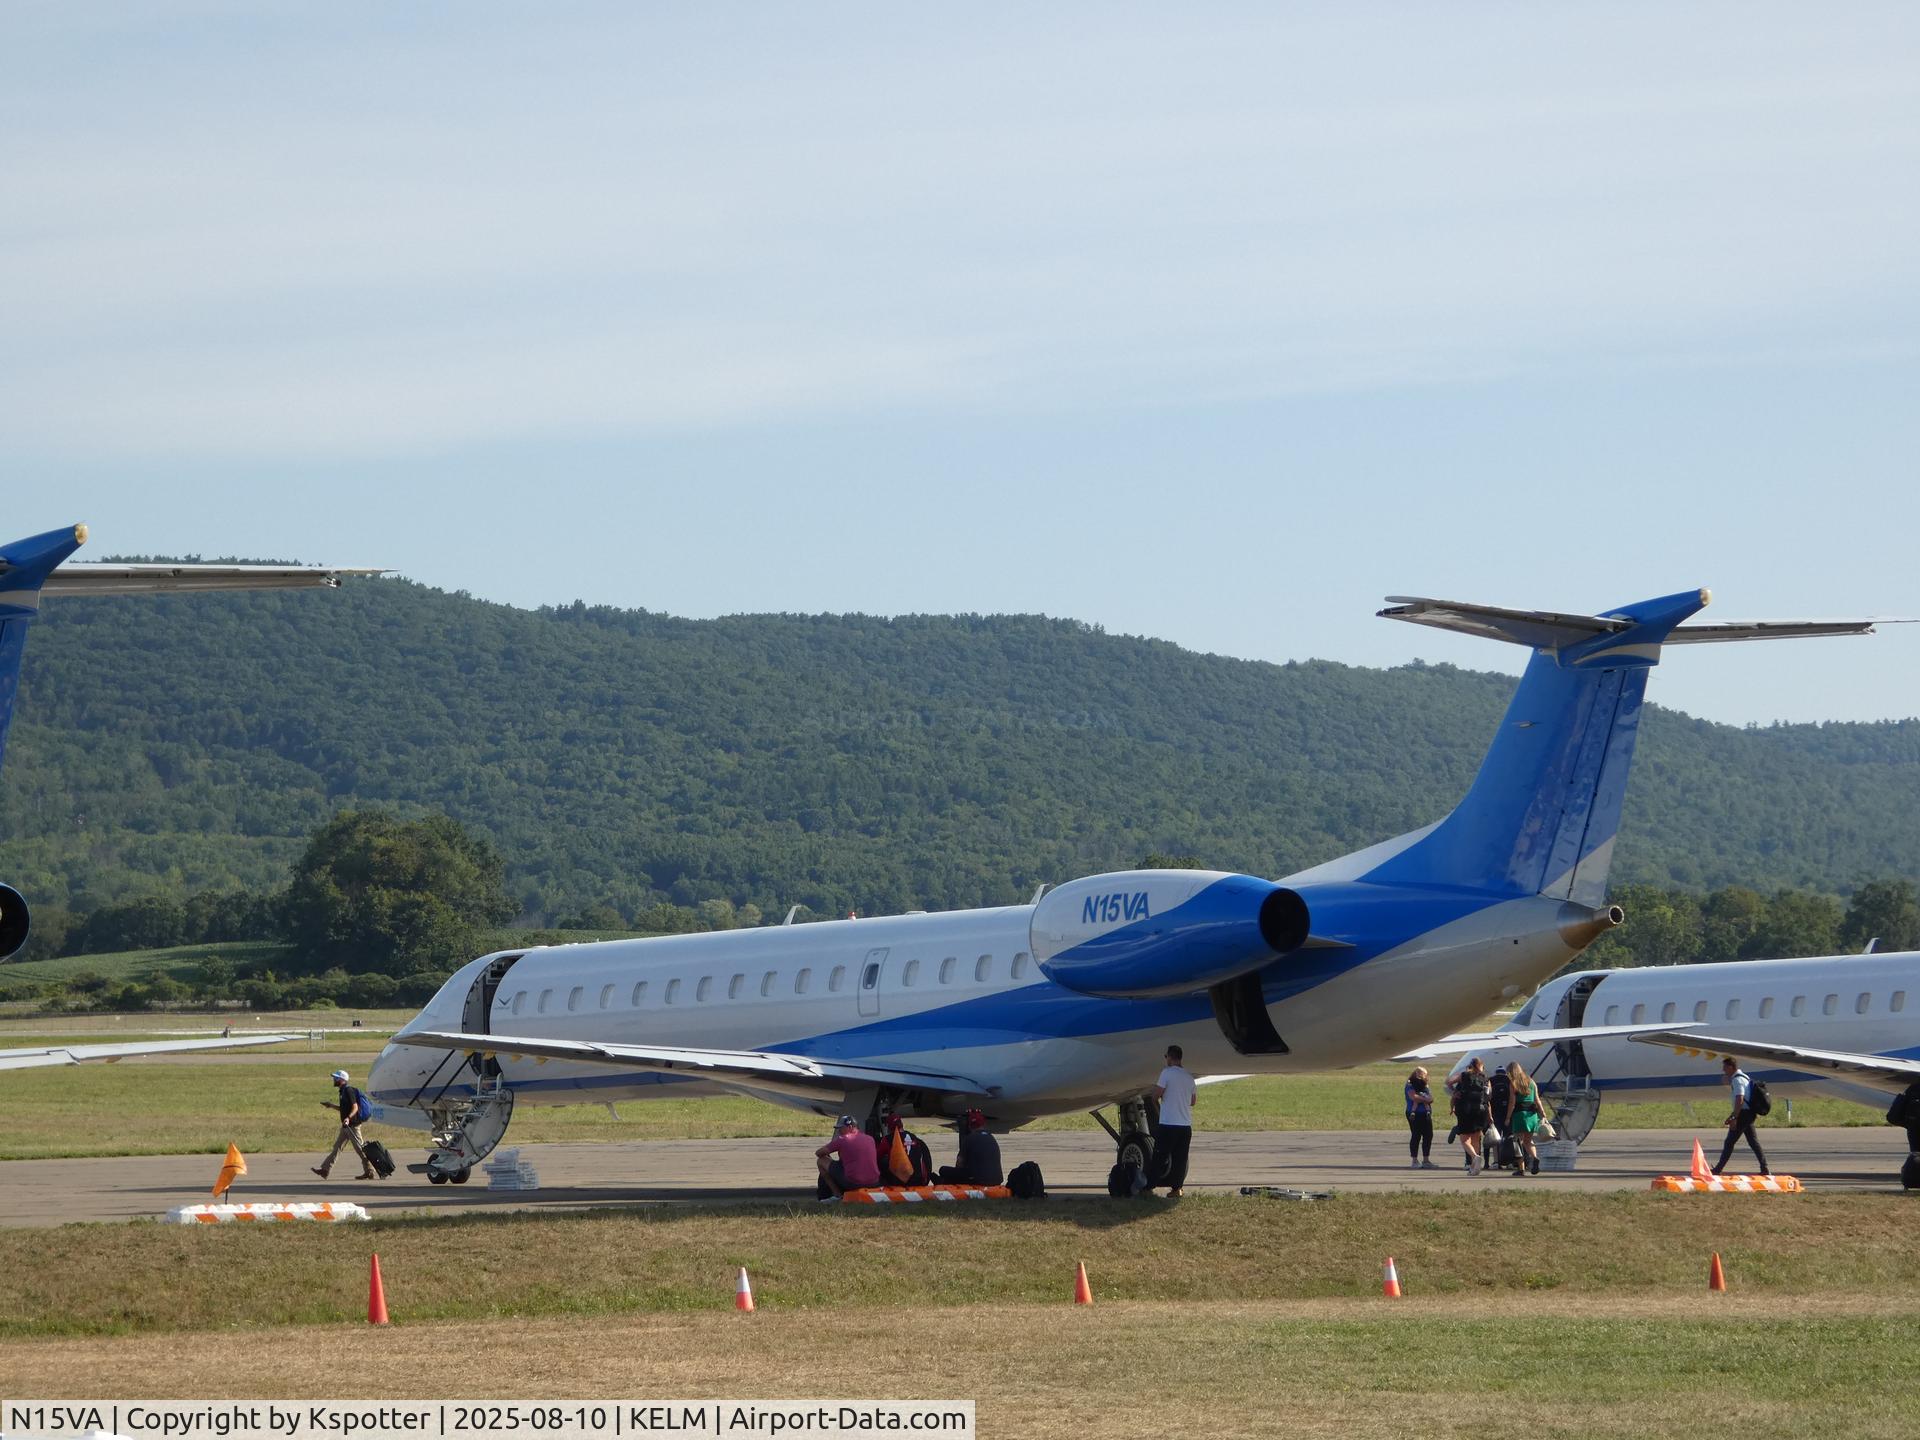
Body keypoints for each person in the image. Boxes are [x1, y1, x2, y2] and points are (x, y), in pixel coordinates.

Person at [313, 1069, 376, 1180]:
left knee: (360, 1150)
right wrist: (331, 1106)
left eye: (336, 1078)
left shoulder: (348, 1091)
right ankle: (325, 1170)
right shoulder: (342, 1092)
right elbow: (344, 1109)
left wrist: (348, 1118)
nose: (334, 1079)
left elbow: (355, 1107)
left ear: (342, 1080)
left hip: (353, 1126)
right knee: (337, 1148)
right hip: (346, 1126)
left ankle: (370, 1171)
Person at [1152, 1044, 1197, 1197]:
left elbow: (1156, 1094)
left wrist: (1158, 1102)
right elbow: (1193, 1101)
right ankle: (1177, 1189)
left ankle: (1148, 1187)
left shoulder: (1167, 1073)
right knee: (1180, 1159)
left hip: (1168, 1124)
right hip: (1185, 1125)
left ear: (1170, 1057)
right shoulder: (1189, 1077)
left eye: (1166, 1056)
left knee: (1159, 1156)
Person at [1712, 1058, 1770, 1176]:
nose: (1723, 1070)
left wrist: (1734, 1118)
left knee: (1729, 1142)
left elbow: (1740, 1099)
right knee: (1753, 1142)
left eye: (1725, 1067)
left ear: (1730, 1067)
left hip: (1743, 1115)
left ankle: (1717, 1170)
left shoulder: (1737, 1080)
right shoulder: (1744, 1077)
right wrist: (1732, 1115)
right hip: (1748, 1114)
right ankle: (1765, 1168)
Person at [816, 1113, 883, 1199]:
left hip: (854, 1183)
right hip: (874, 1183)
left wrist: (830, 1152)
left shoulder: (843, 1139)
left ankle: (837, 1195)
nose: (839, 1131)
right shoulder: (870, 1139)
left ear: (850, 1127)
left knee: (821, 1161)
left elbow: (818, 1153)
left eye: (841, 1128)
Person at [1505, 1062, 1550, 1176]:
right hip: (1532, 1115)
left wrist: (1508, 1117)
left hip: (1519, 1115)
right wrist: (1543, 1113)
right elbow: (1537, 1099)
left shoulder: (1513, 1083)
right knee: (1528, 1141)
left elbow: (1512, 1103)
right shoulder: (1531, 1081)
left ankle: (1521, 1168)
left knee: (1517, 1142)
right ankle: (1535, 1158)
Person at [938, 1108, 1004, 1185]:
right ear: (983, 1124)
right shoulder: (991, 1137)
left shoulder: (969, 1139)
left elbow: (959, 1163)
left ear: (969, 1126)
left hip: (978, 1180)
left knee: (943, 1170)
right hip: (997, 1179)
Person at [1451, 1057, 1491, 1175]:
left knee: (1464, 1139)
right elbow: (1489, 1096)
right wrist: (1489, 1115)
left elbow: (1449, 1082)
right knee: (1476, 1139)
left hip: (1466, 1110)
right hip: (1481, 1110)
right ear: (1482, 1066)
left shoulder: (1464, 1075)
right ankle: (1474, 1168)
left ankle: (1474, 1157)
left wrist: (1455, 1093)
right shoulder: (1486, 1078)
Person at [1487, 1061, 1517, 1172]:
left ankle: (1496, 1161)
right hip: (1507, 1113)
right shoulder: (1510, 1080)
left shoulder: (1491, 1080)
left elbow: (1488, 1096)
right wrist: (1509, 1116)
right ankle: (1510, 1162)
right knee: (1509, 1137)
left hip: (1495, 1113)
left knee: (1496, 1138)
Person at [1404, 1067, 1436, 1168]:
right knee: (1416, 1135)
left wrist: (1426, 1099)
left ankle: (1426, 1160)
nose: (1426, 1076)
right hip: (1414, 1114)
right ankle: (1414, 1160)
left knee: (1428, 1135)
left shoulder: (1425, 1085)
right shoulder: (1410, 1085)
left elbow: (1431, 1098)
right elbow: (1414, 1097)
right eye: (1425, 1074)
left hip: (1425, 1113)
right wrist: (1425, 1099)